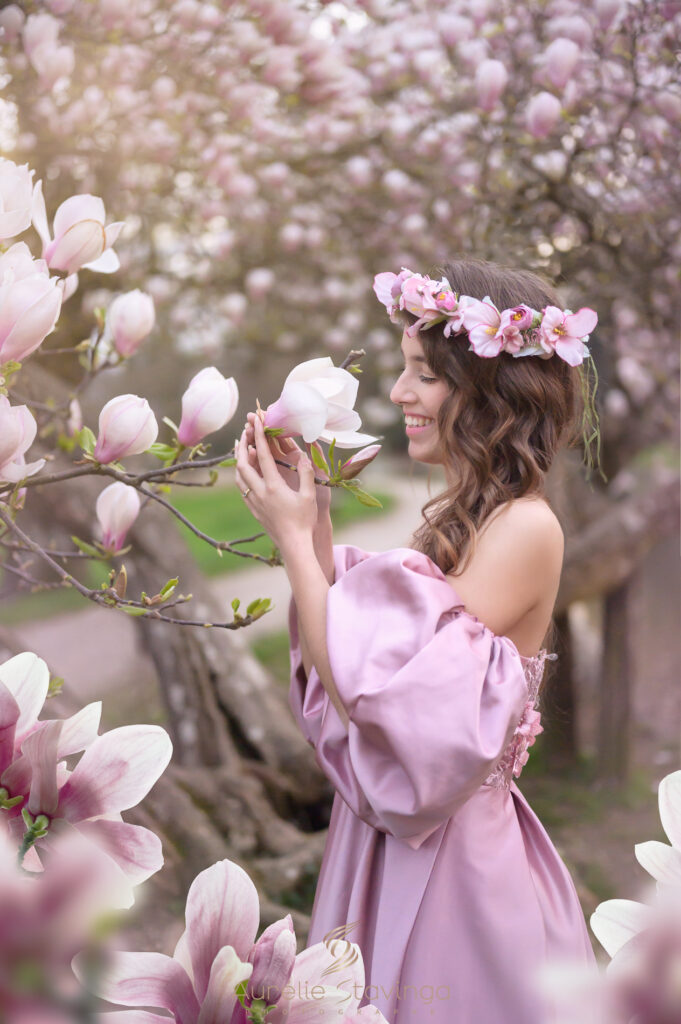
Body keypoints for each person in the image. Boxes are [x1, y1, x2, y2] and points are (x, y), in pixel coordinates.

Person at [235, 257, 600, 1024]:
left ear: (489, 389)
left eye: (421, 375)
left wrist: (299, 547)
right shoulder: (465, 522)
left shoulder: (524, 527)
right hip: (385, 845)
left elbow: (389, 707)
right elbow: (364, 656)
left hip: (452, 871)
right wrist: (316, 517)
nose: (398, 394)